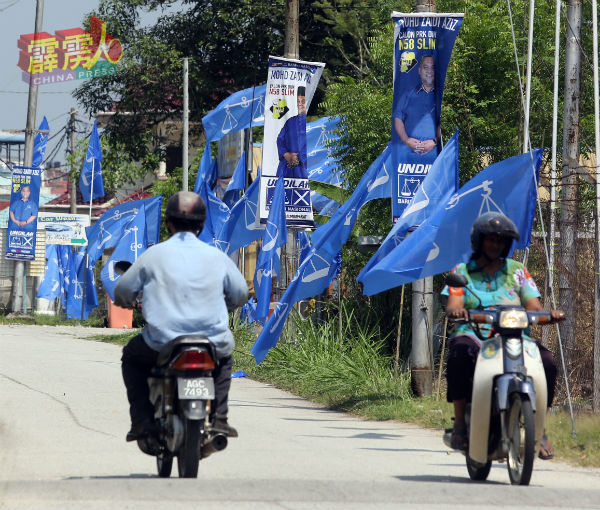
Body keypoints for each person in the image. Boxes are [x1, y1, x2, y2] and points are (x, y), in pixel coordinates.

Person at [115, 191, 249, 441]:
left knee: (131, 357)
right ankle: (220, 419)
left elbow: (123, 290)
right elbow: (240, 293)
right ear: (201, 224)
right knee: (224, 361)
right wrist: (226, 305)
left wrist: (126, 300)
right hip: (212, 342)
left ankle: (142, 420)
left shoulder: (152, 256)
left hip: (162, 342)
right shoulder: (217, 257)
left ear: (168, 223)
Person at [443, 212, 564, 460]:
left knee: (548, 362)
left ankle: (539, 428)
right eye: (490, 239)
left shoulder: (517, 270)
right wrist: (457, 310)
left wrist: (547, 315)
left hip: (515, 335)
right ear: (479, 240)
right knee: (458, 353)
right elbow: (454, 301)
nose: (495, 244)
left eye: (500, 240)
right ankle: (460, 426)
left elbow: (533, 306)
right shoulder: (462, 270)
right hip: (475, 333)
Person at [393, 55, 441, 156]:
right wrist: (406, 140)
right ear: (419, 71)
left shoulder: (442, 95)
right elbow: (397, 118)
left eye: (433, 67)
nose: (429, 71)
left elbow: (447, 121)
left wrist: (435, 141)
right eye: (425, 67)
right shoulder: (407, 94)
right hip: (407, 157)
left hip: (436, 158)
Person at [276, 85, 308, 179]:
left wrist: (298, 158)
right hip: (287, 166)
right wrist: (286, 154)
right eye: (298, 101)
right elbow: (280, 139)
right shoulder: (290, 121)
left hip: (304, 168)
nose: (300, 104)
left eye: (303, 101)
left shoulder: (310, 122)